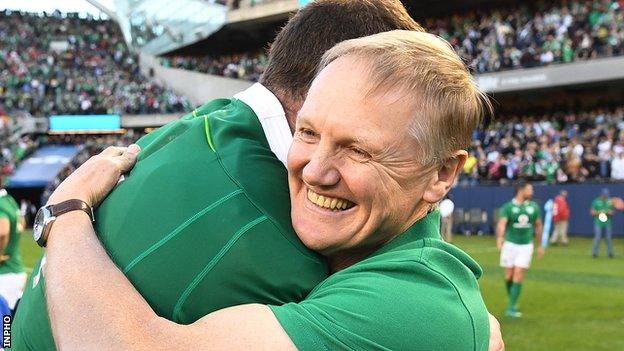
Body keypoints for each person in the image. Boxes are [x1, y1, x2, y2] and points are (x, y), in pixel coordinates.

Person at [15, 1, 499, 349]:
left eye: (359, 150)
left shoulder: (419, 311)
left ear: (442, 175)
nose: (314, 170)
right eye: (307, 132)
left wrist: (67, 213)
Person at [496, 182, 545, 318]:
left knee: (518, 274)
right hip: (510, 244)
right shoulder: (508, 207)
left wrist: (541, 245)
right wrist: (500, 238)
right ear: (520, 190)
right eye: (529, 189)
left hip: (526, 245)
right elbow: (502, 223)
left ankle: (511, 306)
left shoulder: (534, 207)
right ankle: (513, 299)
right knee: (508, 276)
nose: (532, 191)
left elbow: (539, 226)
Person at [0, 184, 26, 313]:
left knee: (5, 324)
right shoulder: (8, 200)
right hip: (16, 267)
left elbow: (3, 231)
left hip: (5, 273)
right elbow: (22, 222)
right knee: (12, 320)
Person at [591, 188, 614, 258]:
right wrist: (600, 212)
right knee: (597, 237)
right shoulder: (596, 201)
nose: (606, 197)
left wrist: (608, 212)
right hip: (598, 222)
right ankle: (595, 253)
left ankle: (610, 253)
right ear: (602, 195)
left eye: (607, 196)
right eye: (604, 195)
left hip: (608, 222)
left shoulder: (610, 201)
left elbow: (612, 212)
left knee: (608, 238)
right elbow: (592, 212)